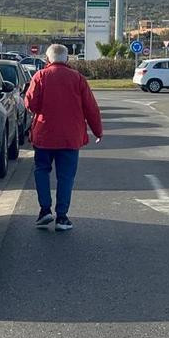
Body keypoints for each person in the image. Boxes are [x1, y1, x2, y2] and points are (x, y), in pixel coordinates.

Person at [24, 43, 103, 231]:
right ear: (67, 59)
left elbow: (30, 104)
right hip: (70, 136)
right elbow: (91, 108)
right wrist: (97, 130)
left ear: (47, 59)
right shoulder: (78, 78)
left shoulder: (40, 76)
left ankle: (45, 210)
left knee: (41, 170)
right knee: (66, 176)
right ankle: (62, 217)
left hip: (44, 135)